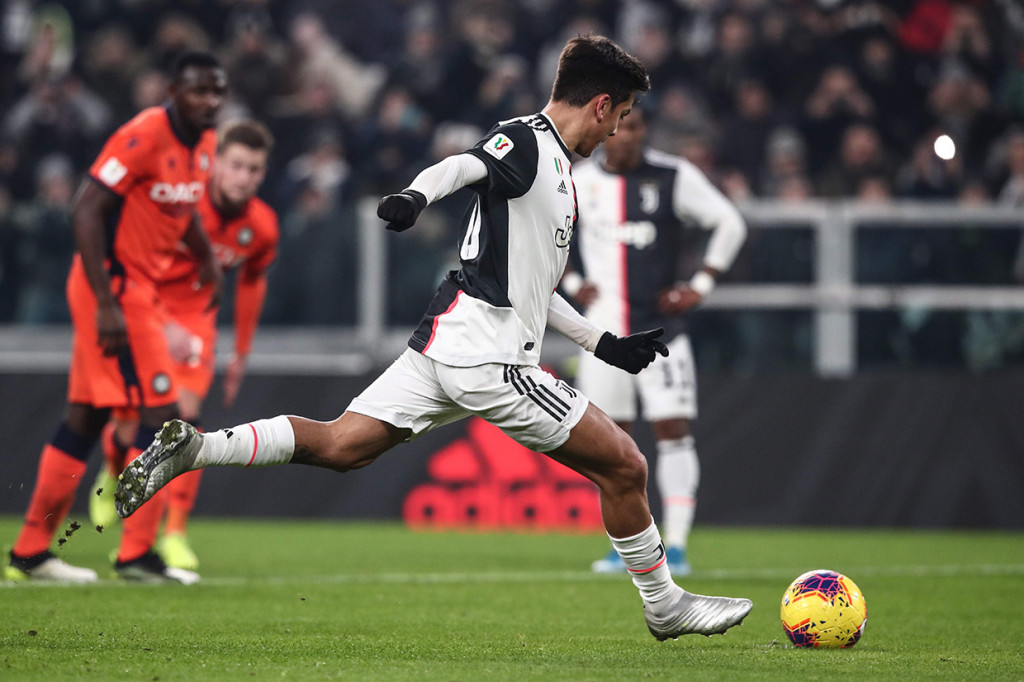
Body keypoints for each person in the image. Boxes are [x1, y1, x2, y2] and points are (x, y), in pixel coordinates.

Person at [116, 35, 753, 639]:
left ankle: (197, 449)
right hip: (491, 359)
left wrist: (602, 344)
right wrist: (415, 196)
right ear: (601, 104)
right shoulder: (528, 141)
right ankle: (666, 607)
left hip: (448, 345)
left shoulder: (556, 165)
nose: (617, 130)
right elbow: (466, 163)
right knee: (626, 465)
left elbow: (534, 287)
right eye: (622, 114)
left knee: (342, 444)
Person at [4, 52, 227, 584]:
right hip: (116, 290)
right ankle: (135, 556)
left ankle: (30, 552)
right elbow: (86, 207)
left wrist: (206, 257)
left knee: (87, 415)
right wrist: (105, 300)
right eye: (199, 90)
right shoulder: (143, 134)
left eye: (217, 91)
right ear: (173, 90)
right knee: (165, 419)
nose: (210, 101)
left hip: (137, 291)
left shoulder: (206, 142)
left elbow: (185, 207)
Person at [563, 104, 747, 576]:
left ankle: (679, 544)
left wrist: (700, 284)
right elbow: (549, 238)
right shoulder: (580, 180)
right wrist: (572, 282)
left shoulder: (673, 176)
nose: (626, 137)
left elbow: (730, 222)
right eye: (619, 127)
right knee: (609, 445)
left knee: (672, 430)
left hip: (663, 333)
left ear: (646, 132)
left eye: (636, 127)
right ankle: (625, 547)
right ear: (605, 131)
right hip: (602, 336)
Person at [88, 119, 279, 572]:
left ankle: (173, 533)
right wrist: (155, 317)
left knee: (183, 423)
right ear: (217, 165)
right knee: (126, 424)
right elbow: (134, 256)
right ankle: (114, 467)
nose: (244, 177)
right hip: (145, 306)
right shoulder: (180, 206)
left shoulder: (262, 226)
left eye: (254, 169)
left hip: (197, 321)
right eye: (236, 165)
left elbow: (252, 282)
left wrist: (241, 352)